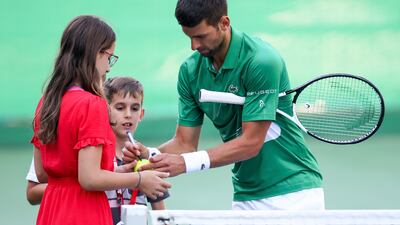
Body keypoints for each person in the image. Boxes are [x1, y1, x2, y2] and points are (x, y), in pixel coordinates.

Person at [124, 0, 324, 210]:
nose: (194, 45)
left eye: (200, 36)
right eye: (189, 37)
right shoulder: (190, 71)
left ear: (224, 23)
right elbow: (184, 143)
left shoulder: (262, 61)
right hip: (245, 196)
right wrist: (149, 154)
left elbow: (251, 143)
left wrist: (185, 163)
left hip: (294, 193)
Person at [31, 15, 171, 225]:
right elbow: (89, 179)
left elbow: (43, 174)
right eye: (109, 57)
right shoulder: (92, 103)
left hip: (52, 211)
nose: (109, 67)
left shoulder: (46, 101)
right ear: (96, 53)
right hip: (85, 213)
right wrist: (139, 179)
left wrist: (118, 172)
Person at [104, 76, 169, 224]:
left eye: (135, 108)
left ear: (141, 114)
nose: (128, 114)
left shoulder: (146, 159)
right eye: (120, 108)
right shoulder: (96, 156)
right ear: (105, 111)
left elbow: (161, 214)